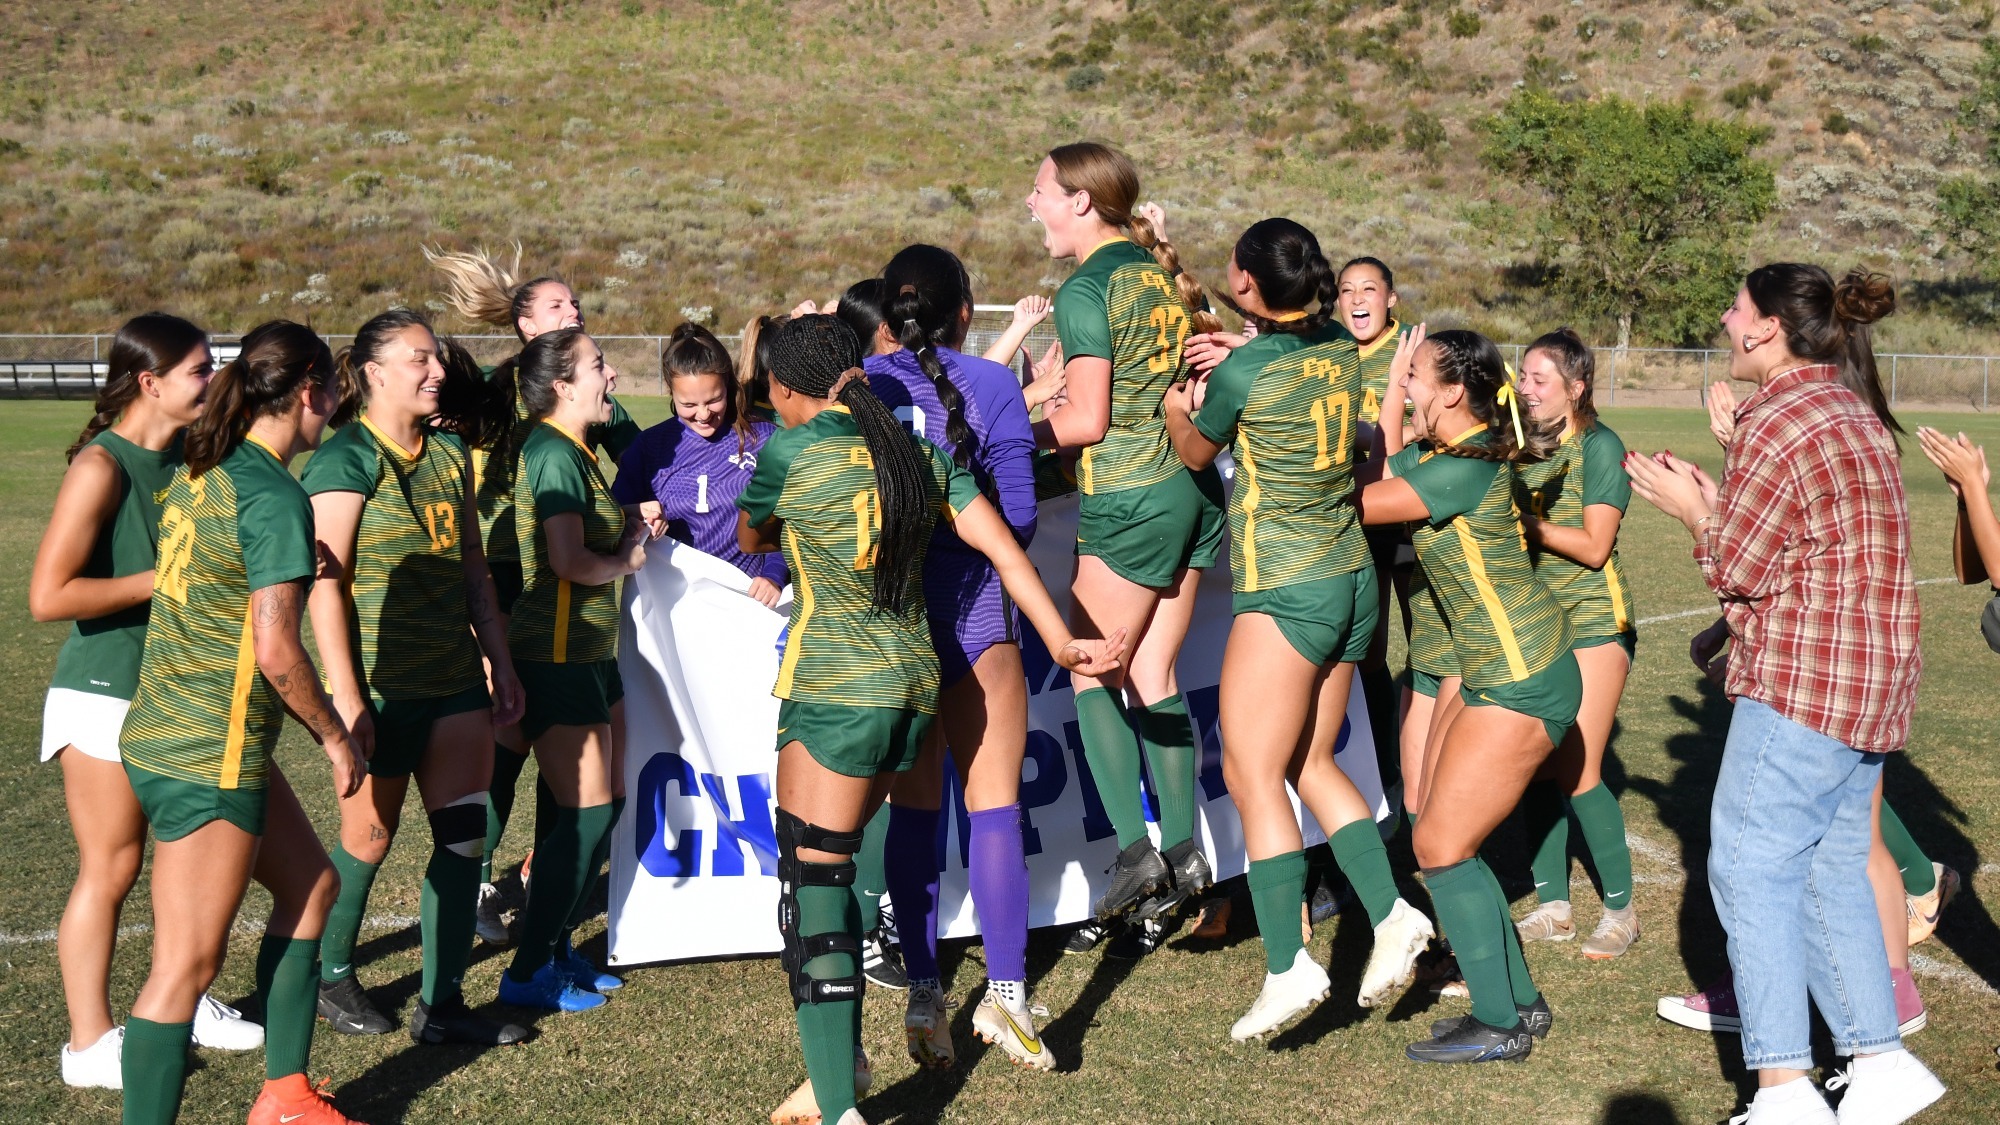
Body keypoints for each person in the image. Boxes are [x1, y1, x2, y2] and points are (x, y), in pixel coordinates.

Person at [737, 314, 1123, 1125]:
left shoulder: (789, 449)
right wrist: (1062, 637)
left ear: (783, 388)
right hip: (915, 679)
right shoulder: (918, 453)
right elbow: (1006, 550)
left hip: (836, 686)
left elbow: (751, 532)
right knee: (830, 874)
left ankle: (839, 1095)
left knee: (813, 887)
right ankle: (836, 1067)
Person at [1625, 265, 1945, 1124]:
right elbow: (1806, 547)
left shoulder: (1780, 414)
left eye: (1734, 308)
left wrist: (1690, 506)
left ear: (1767, 328)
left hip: (1805, 682)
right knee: (1832, 865)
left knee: (1751, 867)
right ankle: (1879, 1065)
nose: (1724, 320)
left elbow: (1737, 563)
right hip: (1872, 681)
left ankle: (1783, 1088)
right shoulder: (1854, 411)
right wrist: (1722, 492)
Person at [1162, 219, 1433, 1041]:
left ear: (1247, 283)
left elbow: (1196, 453)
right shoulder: (1333, 347)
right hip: (1352, 572)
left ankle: (1288, 964)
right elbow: (1285, 353)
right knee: (1313, 758)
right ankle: (1390, 914)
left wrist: (1182, 404)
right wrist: (1235, 355)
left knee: (1253, 770)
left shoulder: (1247, 366)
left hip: (1289, 579)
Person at [115, 321, 368, 1124]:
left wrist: (294, 563)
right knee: (184, 966)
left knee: (311, 886)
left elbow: (224, 578)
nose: (335, 405)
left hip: (175, 734)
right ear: (307, 392)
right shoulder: (272, 492)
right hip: (205, 751)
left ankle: (286, 1098)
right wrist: (335, 734)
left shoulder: (209, 468)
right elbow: (277, 651)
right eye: (333, 389)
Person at [31, 314, 266, 1090]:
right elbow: (49, 594)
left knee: (189, 858)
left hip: (181, 692)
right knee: (112, 866)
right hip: (103, 691)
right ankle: (88, 1042)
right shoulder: (103, 465)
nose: (212, 381)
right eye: (199, 369)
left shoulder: (196, 459)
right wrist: (164, 578)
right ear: (150, 381)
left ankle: (183, 997)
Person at [298, 309, 530, 1046]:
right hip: (381, 684)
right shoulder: (344, 460)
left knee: (465, 836)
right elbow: (323, 584)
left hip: (455, 679)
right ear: (372, 373)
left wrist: (497, 657)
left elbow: (472, 567)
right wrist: (346, 694)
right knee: (368, 836)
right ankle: (332, 974)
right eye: (417, 360)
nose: (435, 372)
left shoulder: (450, 453)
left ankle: (444, 1003)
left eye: (435, 359)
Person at [1025, 142, 1225, 943]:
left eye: (1038, 190)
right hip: (1189, 489)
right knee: (1152, 670)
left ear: (1080, 201)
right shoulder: (1150, 270)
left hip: (1131, 497)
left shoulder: (1086, 289)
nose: (1030, 203)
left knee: (1089, 672)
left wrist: (1005, 434)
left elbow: (1085, 421)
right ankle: (1184, 855)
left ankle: (1137, 852)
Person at [1358, 327, 1576, 1064]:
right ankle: (1518, 1002)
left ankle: (1498, 1022)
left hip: (1520, 672)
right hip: (1496, 666)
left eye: (1414, 375)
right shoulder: (1453, 453)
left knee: (1439, 844)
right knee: (1451, 838)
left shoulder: (1461, 469)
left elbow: (1360, 499)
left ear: (1454, 390)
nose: (1406, 385)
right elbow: (1385, 460)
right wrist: (1393, 384)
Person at [863, 245, 1048, 1071]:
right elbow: (1018, 518)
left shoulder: (867, 386)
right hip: (974, 613)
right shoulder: (993, 382)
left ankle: (926, 991)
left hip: (896, 619)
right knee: (995, 807)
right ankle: (1006, 998)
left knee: (914, 809)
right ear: (965, 311)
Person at [425, 244, 639, 948]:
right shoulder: (501, 392)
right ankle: (483, 878)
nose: (571, 312)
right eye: (556, 305)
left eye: (575, 304)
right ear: (521, 322)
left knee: (557, 756)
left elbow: (638, 451)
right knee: (509, 739)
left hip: (564, 600)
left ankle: (549, 880)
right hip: (513, 583)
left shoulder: (585, 396)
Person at [491, 328, 652, 1013]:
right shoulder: (553, 452)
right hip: (553, 654)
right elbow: (566, 560)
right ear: (561, 384)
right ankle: (528, 968)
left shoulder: (577, 453)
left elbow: (587, 531)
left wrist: (628, 521)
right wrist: (625, 559)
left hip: (589, 652)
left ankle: (554, 944)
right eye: (596, 365)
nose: (609, 375)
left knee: (599, 805)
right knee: (586, 816)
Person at [1506, 329, 1643, 959]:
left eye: (1540, 379)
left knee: (1580, 768)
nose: (1525, 389)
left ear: (1575, 386)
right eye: (1523, 376)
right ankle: (1553, 905)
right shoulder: (1519, 447)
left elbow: (1593, 547)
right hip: (1536, 621)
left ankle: (1621, 910)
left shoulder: (1600, 445)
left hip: (1594, 621)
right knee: (1536, 765)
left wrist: (1523, 525)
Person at [1343, 256, 1412, 801]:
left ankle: (1420, 762)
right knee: (1368, 647)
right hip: (1359, 512)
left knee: (1433, 646)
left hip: (1415, 512)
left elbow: (1429, 424)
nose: (1357, 299)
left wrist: (1391, 434)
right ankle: (1385, 768)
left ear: (1390, 298)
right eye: (1347, 290)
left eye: (1369, 289)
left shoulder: (1413, 349)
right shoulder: (1330, 354)